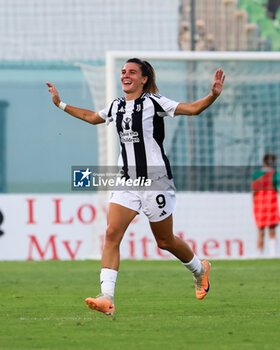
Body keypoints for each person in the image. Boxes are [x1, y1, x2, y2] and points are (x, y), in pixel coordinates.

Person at [46, 58, 225, 315]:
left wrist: (212, 95)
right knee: (111, 233)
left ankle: (200, 269)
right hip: (127, 180)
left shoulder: (155, 102)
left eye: (131, 72)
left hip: (156, 181)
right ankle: (106, 297)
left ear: (143, 79)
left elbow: (193, 109)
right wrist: (60, 104)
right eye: (123, 72)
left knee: (165, 241)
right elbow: (92, 117)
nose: (125, 76)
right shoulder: (116, 106)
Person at [251, 153, 280, 257]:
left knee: (260, 231)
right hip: (271, 205)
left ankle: (259, 254)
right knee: (272, 230)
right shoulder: (275, 174)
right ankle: (272, 254)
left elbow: (254, 191)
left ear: (263, 162)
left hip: (259, 205)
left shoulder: (256, 174)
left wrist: (255, 203)